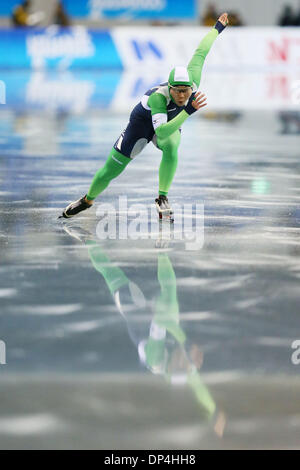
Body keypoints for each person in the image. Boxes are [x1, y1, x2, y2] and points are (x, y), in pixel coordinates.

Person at [61, 13, 229, 220]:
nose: (183, 95)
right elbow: (160, 130)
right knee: (110, 171)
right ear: (170, 88)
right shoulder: (158, 99)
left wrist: (217, 28)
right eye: (177, 91)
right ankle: (87, 200)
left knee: (172, 146)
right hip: (141, 125)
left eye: (186, 90)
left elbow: (201, 51)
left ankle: (162, 197)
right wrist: (187, 111)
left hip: (168, 124)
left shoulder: (193, 81)